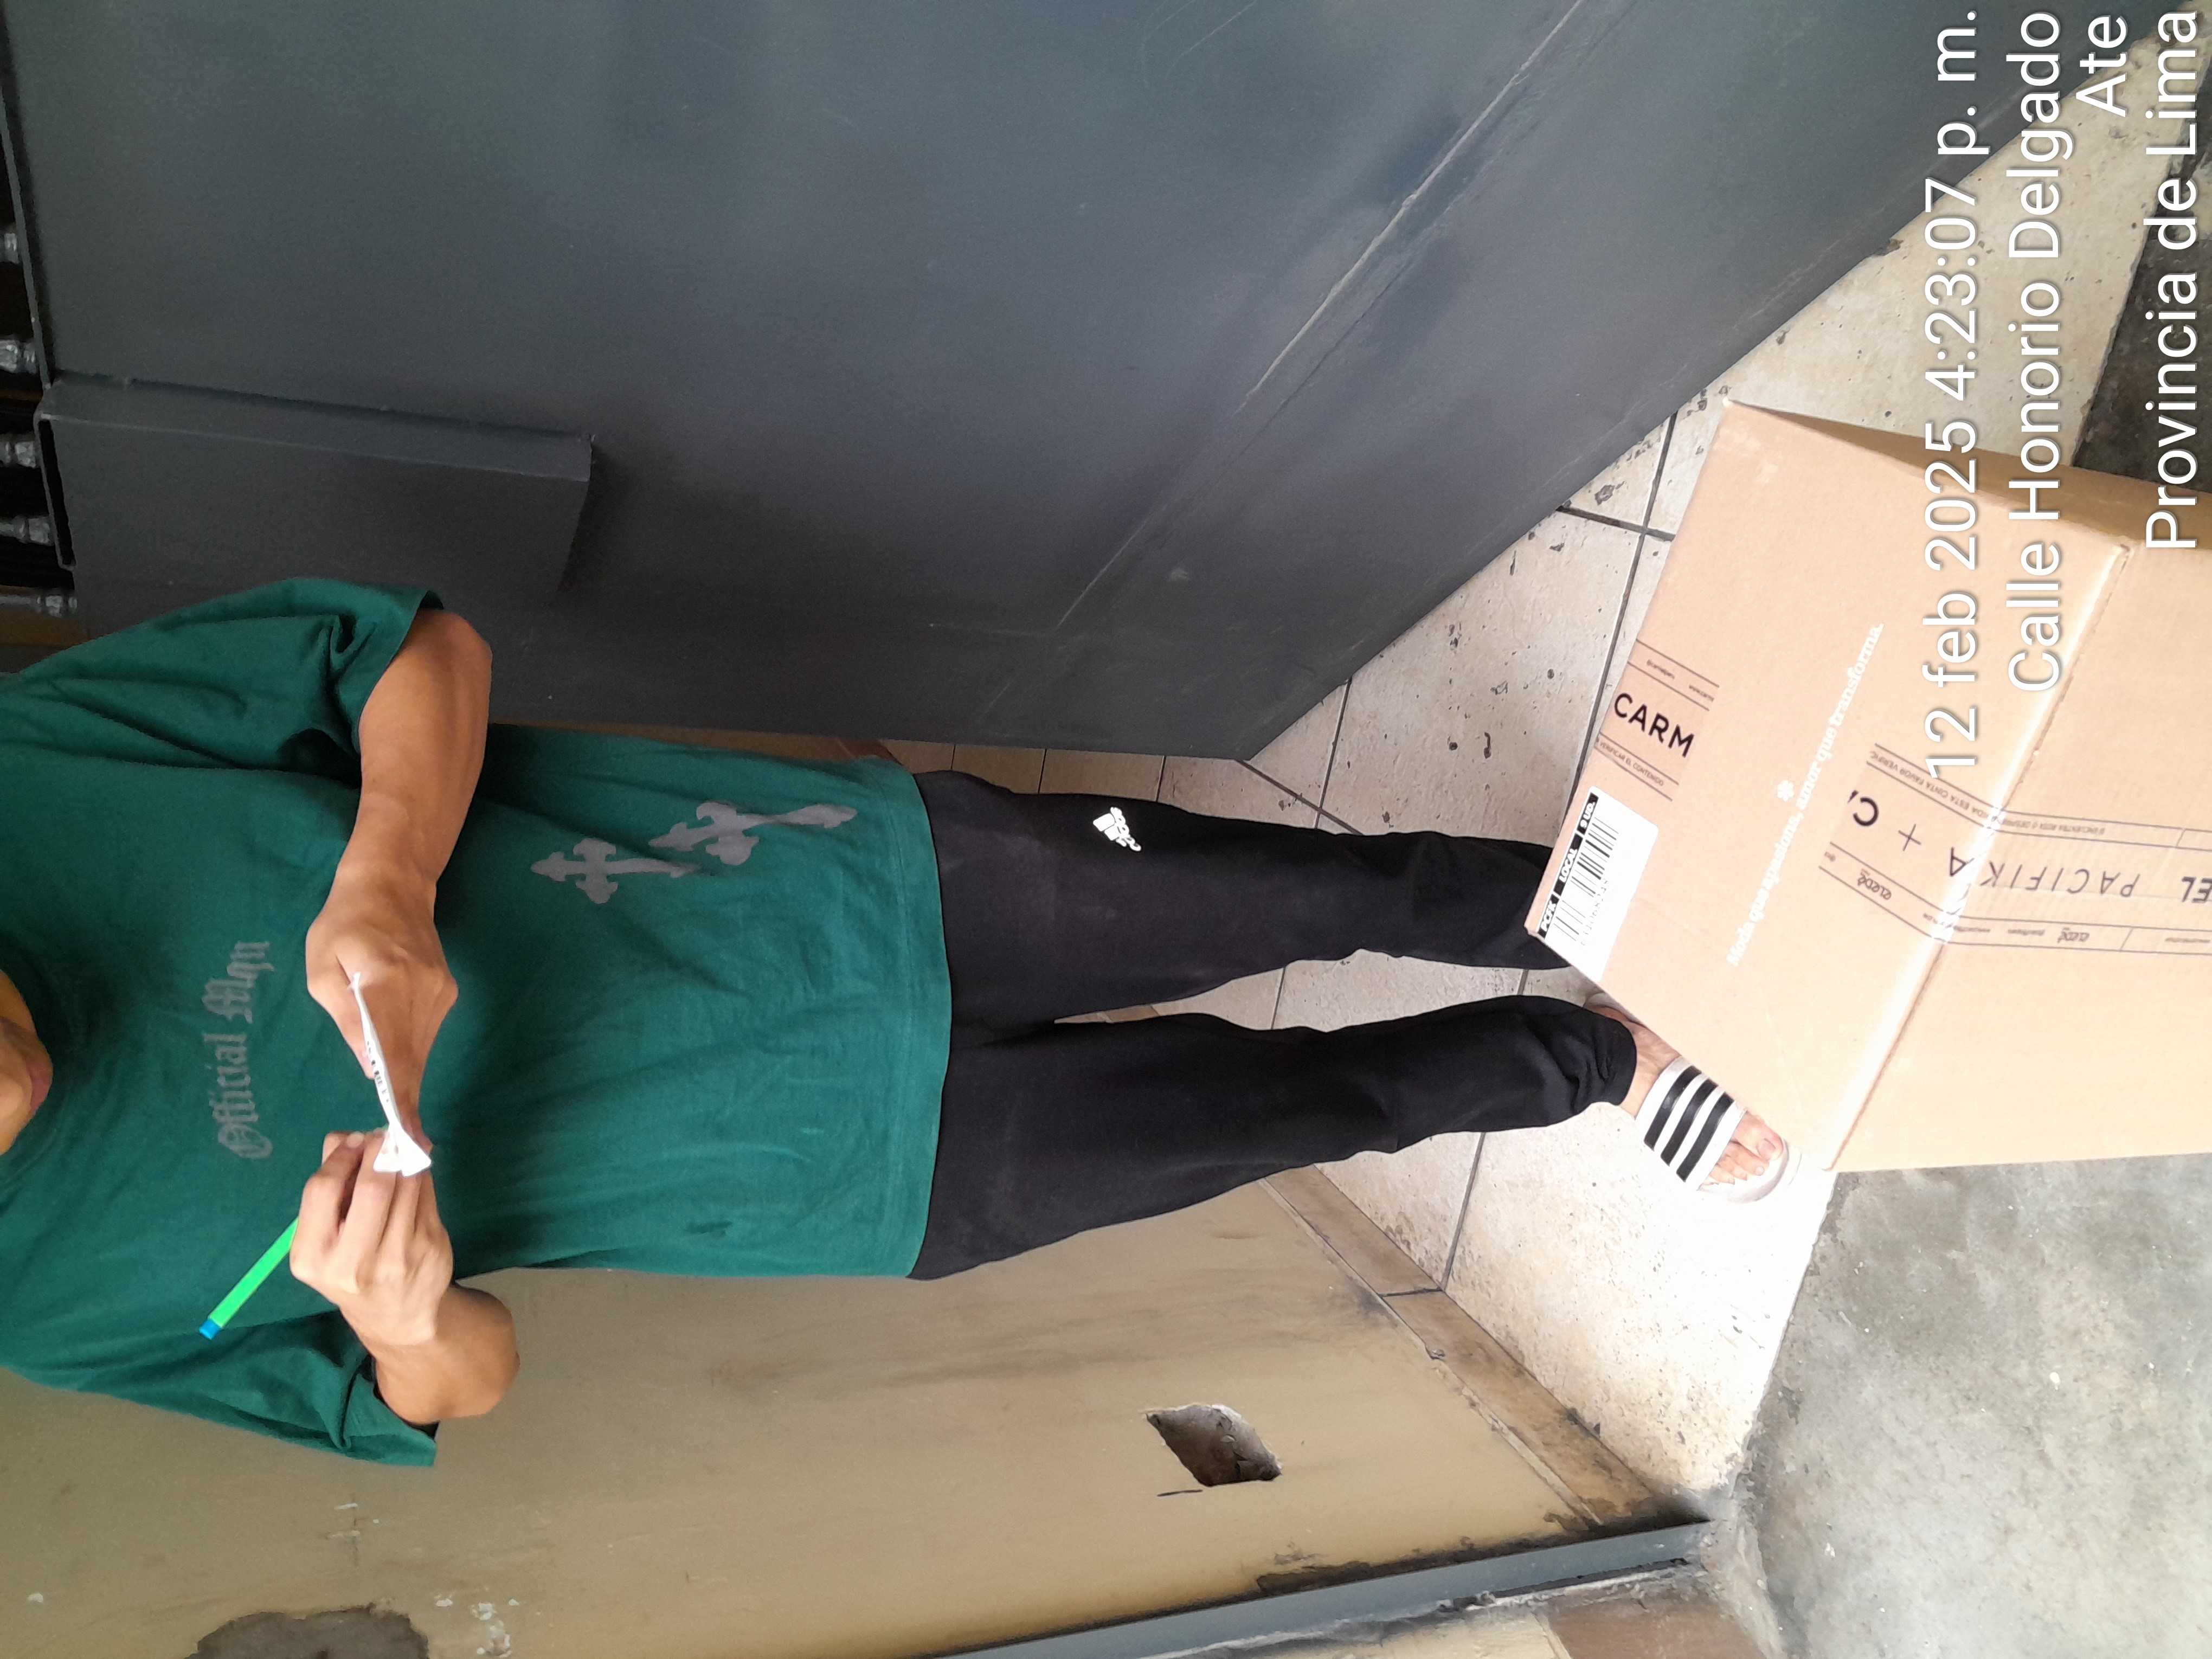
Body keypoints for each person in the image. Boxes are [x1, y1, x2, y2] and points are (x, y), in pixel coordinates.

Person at [0, 582, 1789, 1465]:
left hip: (846, 877)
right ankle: (1604, 1060)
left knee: (1322, 897)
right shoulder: (53, 1319)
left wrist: (389, 874)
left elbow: (419, 646)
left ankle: (1657, 927)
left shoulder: (27, 770)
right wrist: (406, 1316)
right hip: (846, 1174)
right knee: (1312, 1109)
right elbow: (450, 1391)